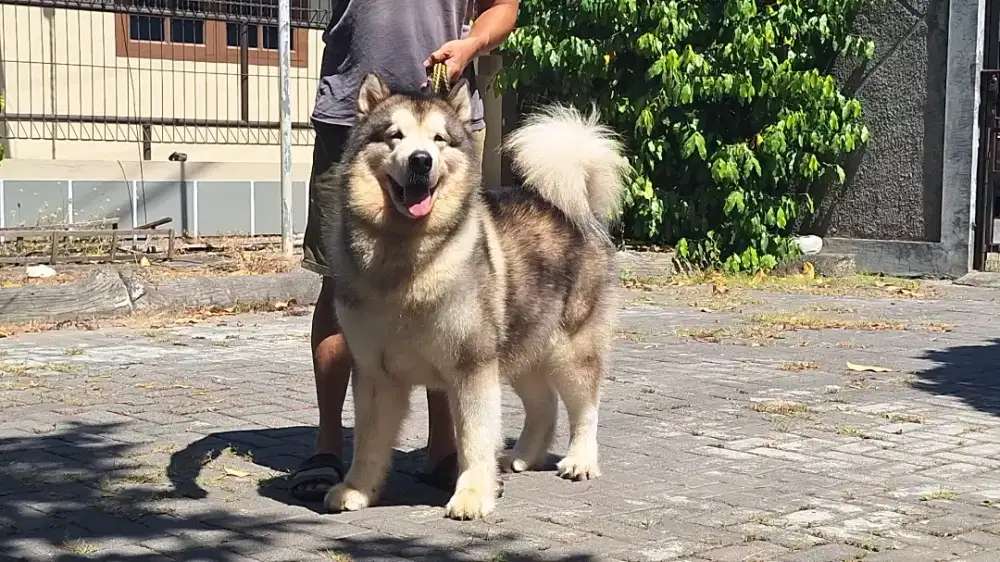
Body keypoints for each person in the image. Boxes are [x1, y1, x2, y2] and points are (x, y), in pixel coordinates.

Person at [291, 0, 520, 501]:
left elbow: (503, 7)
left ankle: (447, 452)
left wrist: (473, 43)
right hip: (354, 109)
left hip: (447, 108)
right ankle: (329, 447)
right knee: (339, 283)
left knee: (453, 303)